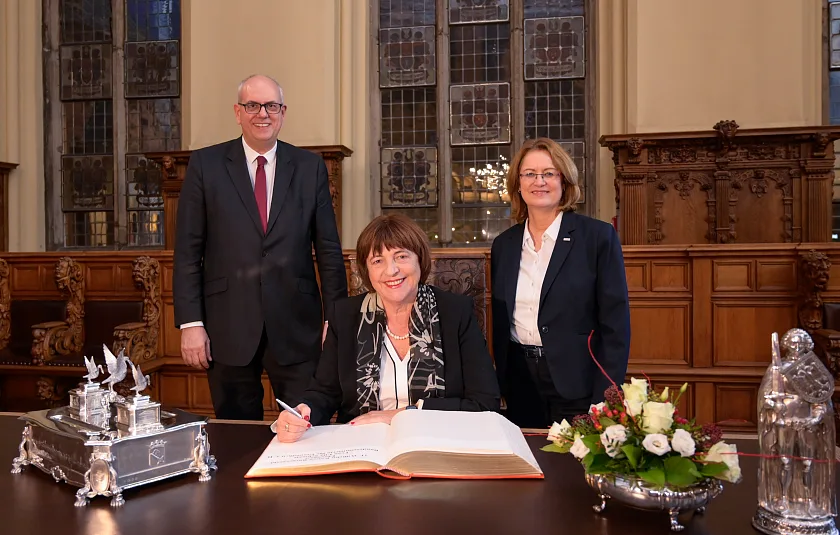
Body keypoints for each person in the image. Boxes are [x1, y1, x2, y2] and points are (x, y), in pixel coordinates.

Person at [173, 74, 348, 421]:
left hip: (298, 326)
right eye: (252, 105)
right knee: (236, 434)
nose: (262, 113)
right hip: (227, 326)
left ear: (283, 113)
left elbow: (328, 249)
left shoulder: (310, 168)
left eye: (271, 106)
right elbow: (188, 251)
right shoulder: (205, 166)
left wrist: (336, 316)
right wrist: (190, 323)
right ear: (238, 112)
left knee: (305, 427)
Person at [274, 214, 500, 441]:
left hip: (437, 440)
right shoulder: (345, 316)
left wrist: (399, 416)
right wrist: (304, 411)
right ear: (367, 271)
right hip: (362, 445)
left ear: (419, 260)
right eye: (377, 261)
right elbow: (324, 392)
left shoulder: (455, 312)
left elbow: (484, 403)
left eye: (401, 256)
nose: (391, 271)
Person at [491, 138, 630, 429]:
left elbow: (615, 326)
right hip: (519, 381)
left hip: (577, 382)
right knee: (528, 465)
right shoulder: (504, 245)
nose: (538, 181)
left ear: (564, 182)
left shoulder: (597, 238)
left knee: (572, 469)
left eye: (549, 173)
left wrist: (605, 394)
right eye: (529, 174)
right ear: (517, 183)